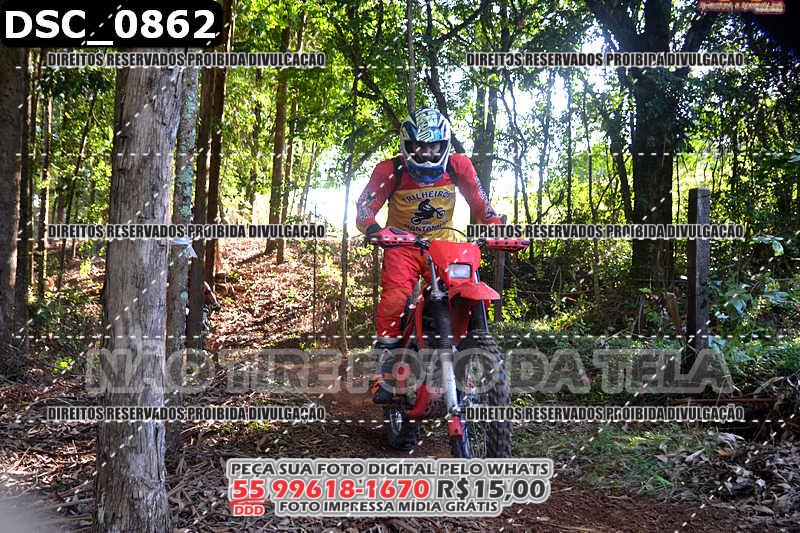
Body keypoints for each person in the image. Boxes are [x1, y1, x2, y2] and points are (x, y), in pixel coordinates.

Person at [355, 107, 503, 404]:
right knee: (395, 298)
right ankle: (386, 366)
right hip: (403, 245)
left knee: (465, 293)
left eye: (434, 146)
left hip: (445, 245)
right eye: (419, 147)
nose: (427, 153)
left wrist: (498, 230)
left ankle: (469, 355)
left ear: (444, 144)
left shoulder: (458, 166)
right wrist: (374, 229)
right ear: (406, 145)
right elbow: (364, 206)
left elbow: (481, 204)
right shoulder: (390, 170)